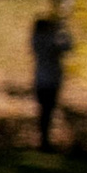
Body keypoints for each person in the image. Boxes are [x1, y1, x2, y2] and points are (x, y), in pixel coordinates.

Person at [31, 15, 69, 150]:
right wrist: (61, 30)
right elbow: (66, 46)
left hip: (41, 81)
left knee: (45, 111)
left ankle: (44, 140)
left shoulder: (36, 40)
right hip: (50, 81)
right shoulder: (48, 41)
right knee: (47, 111)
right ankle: (45, 141)